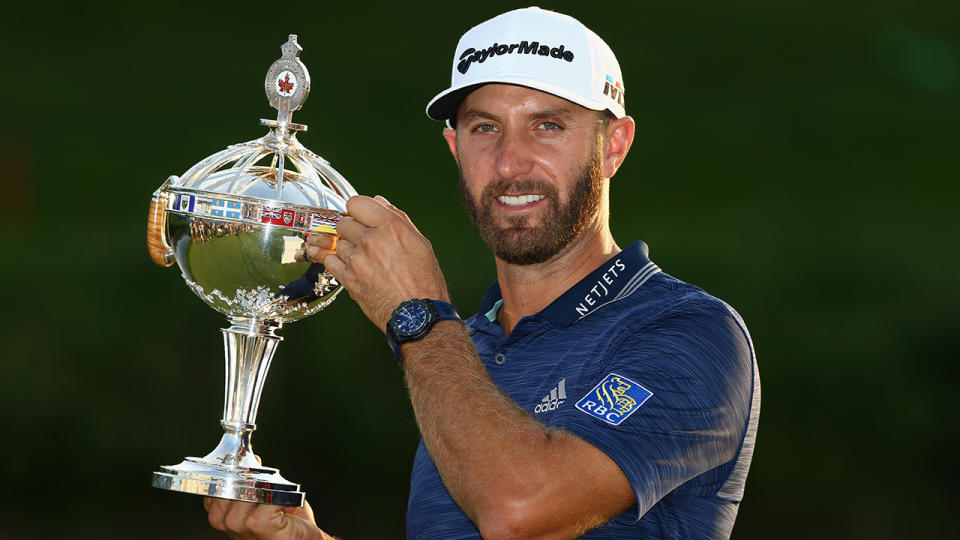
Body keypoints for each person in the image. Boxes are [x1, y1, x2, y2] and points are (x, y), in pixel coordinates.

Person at [205, 7, 760, 539]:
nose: (510, 162)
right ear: (455, 147)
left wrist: (418, 312)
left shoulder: (690, 332)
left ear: (613, 146)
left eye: (547, 125)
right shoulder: (461, 348)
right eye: (484, 128)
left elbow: (517, 513)